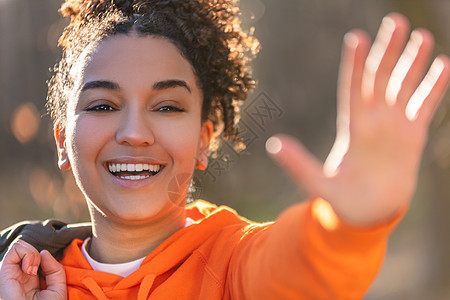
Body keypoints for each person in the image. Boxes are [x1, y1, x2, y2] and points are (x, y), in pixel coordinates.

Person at [0, 0, 449, 299]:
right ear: (64, 142)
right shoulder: (21, 276)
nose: (135, 133)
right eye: (103, 104)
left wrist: (348, 227)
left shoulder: (234, 264)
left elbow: (300, 267)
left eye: (168, 106)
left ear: (204, 140)